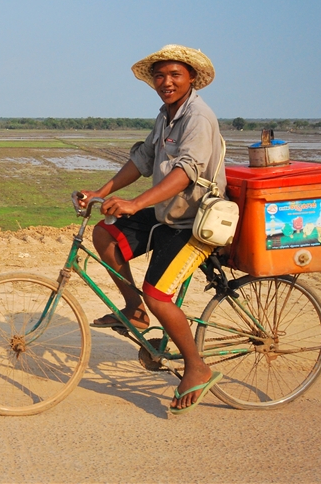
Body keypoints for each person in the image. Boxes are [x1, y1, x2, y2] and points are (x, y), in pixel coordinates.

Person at [77, 44, 226, 415]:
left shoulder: (198, 118)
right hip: (165, 213)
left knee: (159, 294)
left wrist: (136, 203)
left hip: (194, 221)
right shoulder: (166, 114)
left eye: (175, 75)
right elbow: (142, 159)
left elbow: (186, 171)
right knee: (105, 233)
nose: (166, 82)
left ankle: (197, 366)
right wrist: (102, 192)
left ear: (191, 79)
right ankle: (134, 310)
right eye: (160, 76)